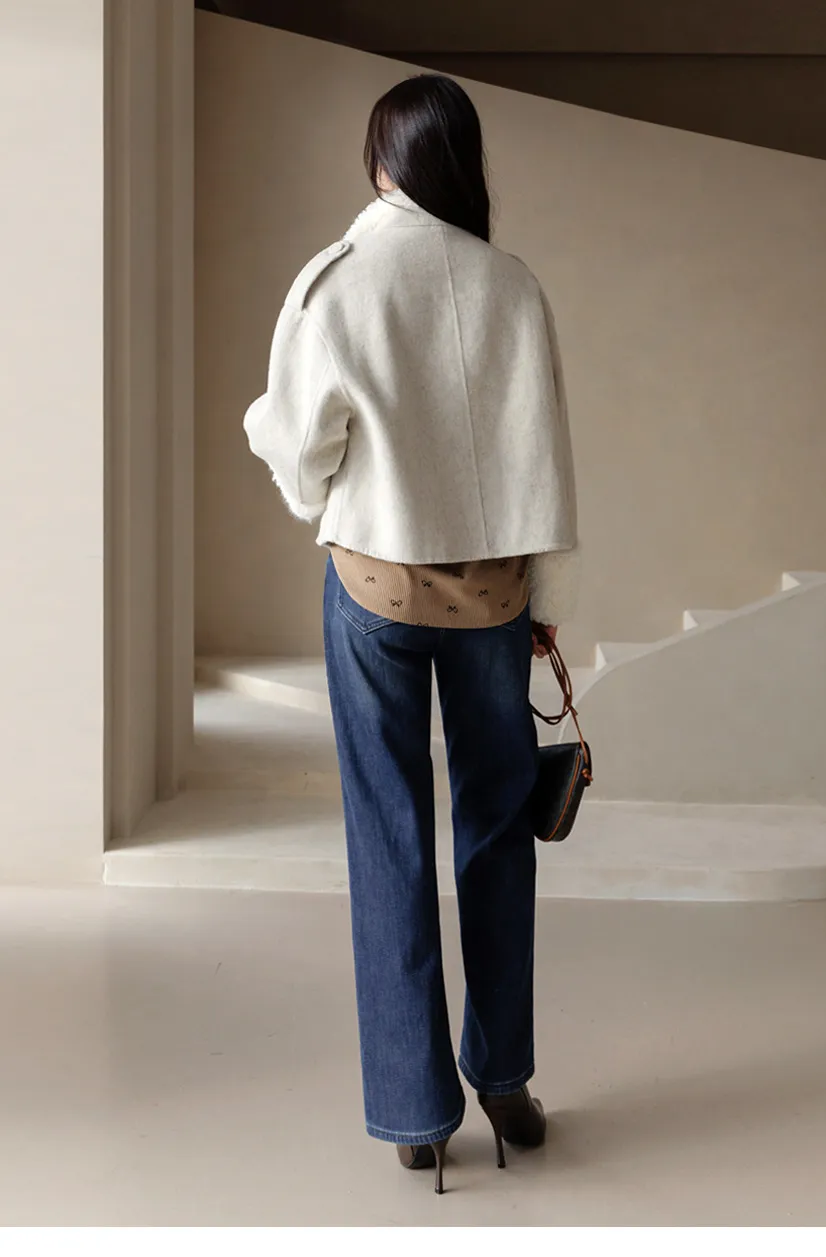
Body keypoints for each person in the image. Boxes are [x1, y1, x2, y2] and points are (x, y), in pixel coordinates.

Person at [244, 74, 579, 1195]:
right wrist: (546, 607)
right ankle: (505, 1082)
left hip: (375, 591)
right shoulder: (512, 284)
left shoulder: (336, 279)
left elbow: (302, 459)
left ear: (381, 160)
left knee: (389, 834)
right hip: (495, 599)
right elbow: (546, 459)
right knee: (496, 830)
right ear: (462, 163)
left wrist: (298, 457)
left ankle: (415, 1115)